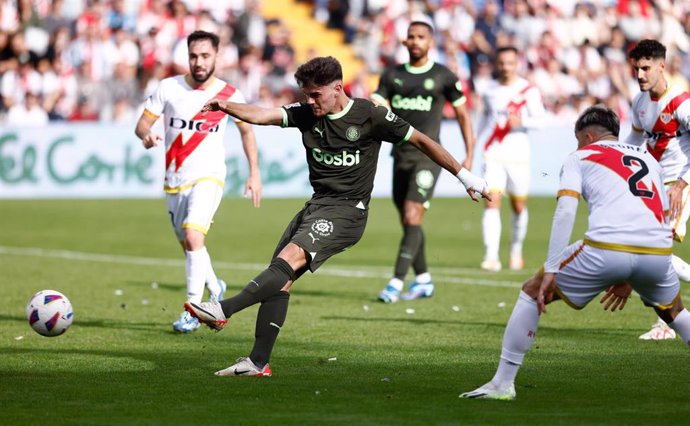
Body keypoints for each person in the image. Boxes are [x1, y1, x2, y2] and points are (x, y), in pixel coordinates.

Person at [184, 56, 490, 377]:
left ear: (337, 88)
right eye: (305, 94)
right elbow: (262, 114)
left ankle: (223, 309)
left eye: (316, 94)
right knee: (279, 279)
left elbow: (421, 140)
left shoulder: (370, 115)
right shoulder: (306, 114)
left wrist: (466, 176)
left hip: (349, 211)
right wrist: (224, 106)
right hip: (317, 206)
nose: (309, 101)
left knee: (286, 260)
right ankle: (258, 362)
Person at [460, 105, 690, 401]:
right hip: (657, 250)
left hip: (607, 247)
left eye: (578, 138)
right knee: (674, 312)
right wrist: (630, 277)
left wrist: (552, 269)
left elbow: (565, 211)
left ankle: (502, 384)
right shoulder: (649, 159)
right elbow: (658, 216)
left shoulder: (580, 156)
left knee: (532, 291)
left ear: (588, 136)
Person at [134, 30, 262, 333]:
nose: (199, 61)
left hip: (209, 175)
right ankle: (213, 284)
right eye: (193, 55)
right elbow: (142, 124)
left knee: (193, 236)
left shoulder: (229, 95)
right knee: (191, 245)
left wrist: (254, 172)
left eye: (205, 56)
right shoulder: (169, 88)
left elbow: (247, 131)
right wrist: (147, 135)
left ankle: (194, 309)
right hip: (174, 178)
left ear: (217, 56)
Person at [371, 16, 475, 303]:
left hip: (429, 158)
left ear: (431, 42)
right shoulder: (392, 75)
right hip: (399, 156)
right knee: (409, 223)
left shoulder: (443, 76)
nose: (415, 41)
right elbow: (377, 103)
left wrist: (469, 154)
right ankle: (425, 280)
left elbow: (464, 115)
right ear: (404, 41)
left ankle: (395, 283)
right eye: (411, 37)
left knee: (412, 215)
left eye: (421, 37)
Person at [625, 39, 690, 341]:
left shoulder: (681, 103)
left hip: (679, 184)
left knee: (652, 254)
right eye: (636, 68)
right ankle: (666, 321)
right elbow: (634, 144)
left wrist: (682, 184)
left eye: (645, 68)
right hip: (652, 187)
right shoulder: (639, 102)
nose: (639, 74)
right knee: (641, 256)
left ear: (662, 66)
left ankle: (667, 324)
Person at [476, 46, 546, 272]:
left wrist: (523, 123)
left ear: (517, 64)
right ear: (497, 64)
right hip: (494, 153)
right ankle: (491, 256)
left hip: (518, 155)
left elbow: (541, 120)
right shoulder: (489, 90)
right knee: (491, 201)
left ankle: (516, 250)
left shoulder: (528, 90)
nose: (506, 67)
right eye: (502, 63)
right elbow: (484, 119)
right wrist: (474, 144)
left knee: (518, 206)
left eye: (510, 63)